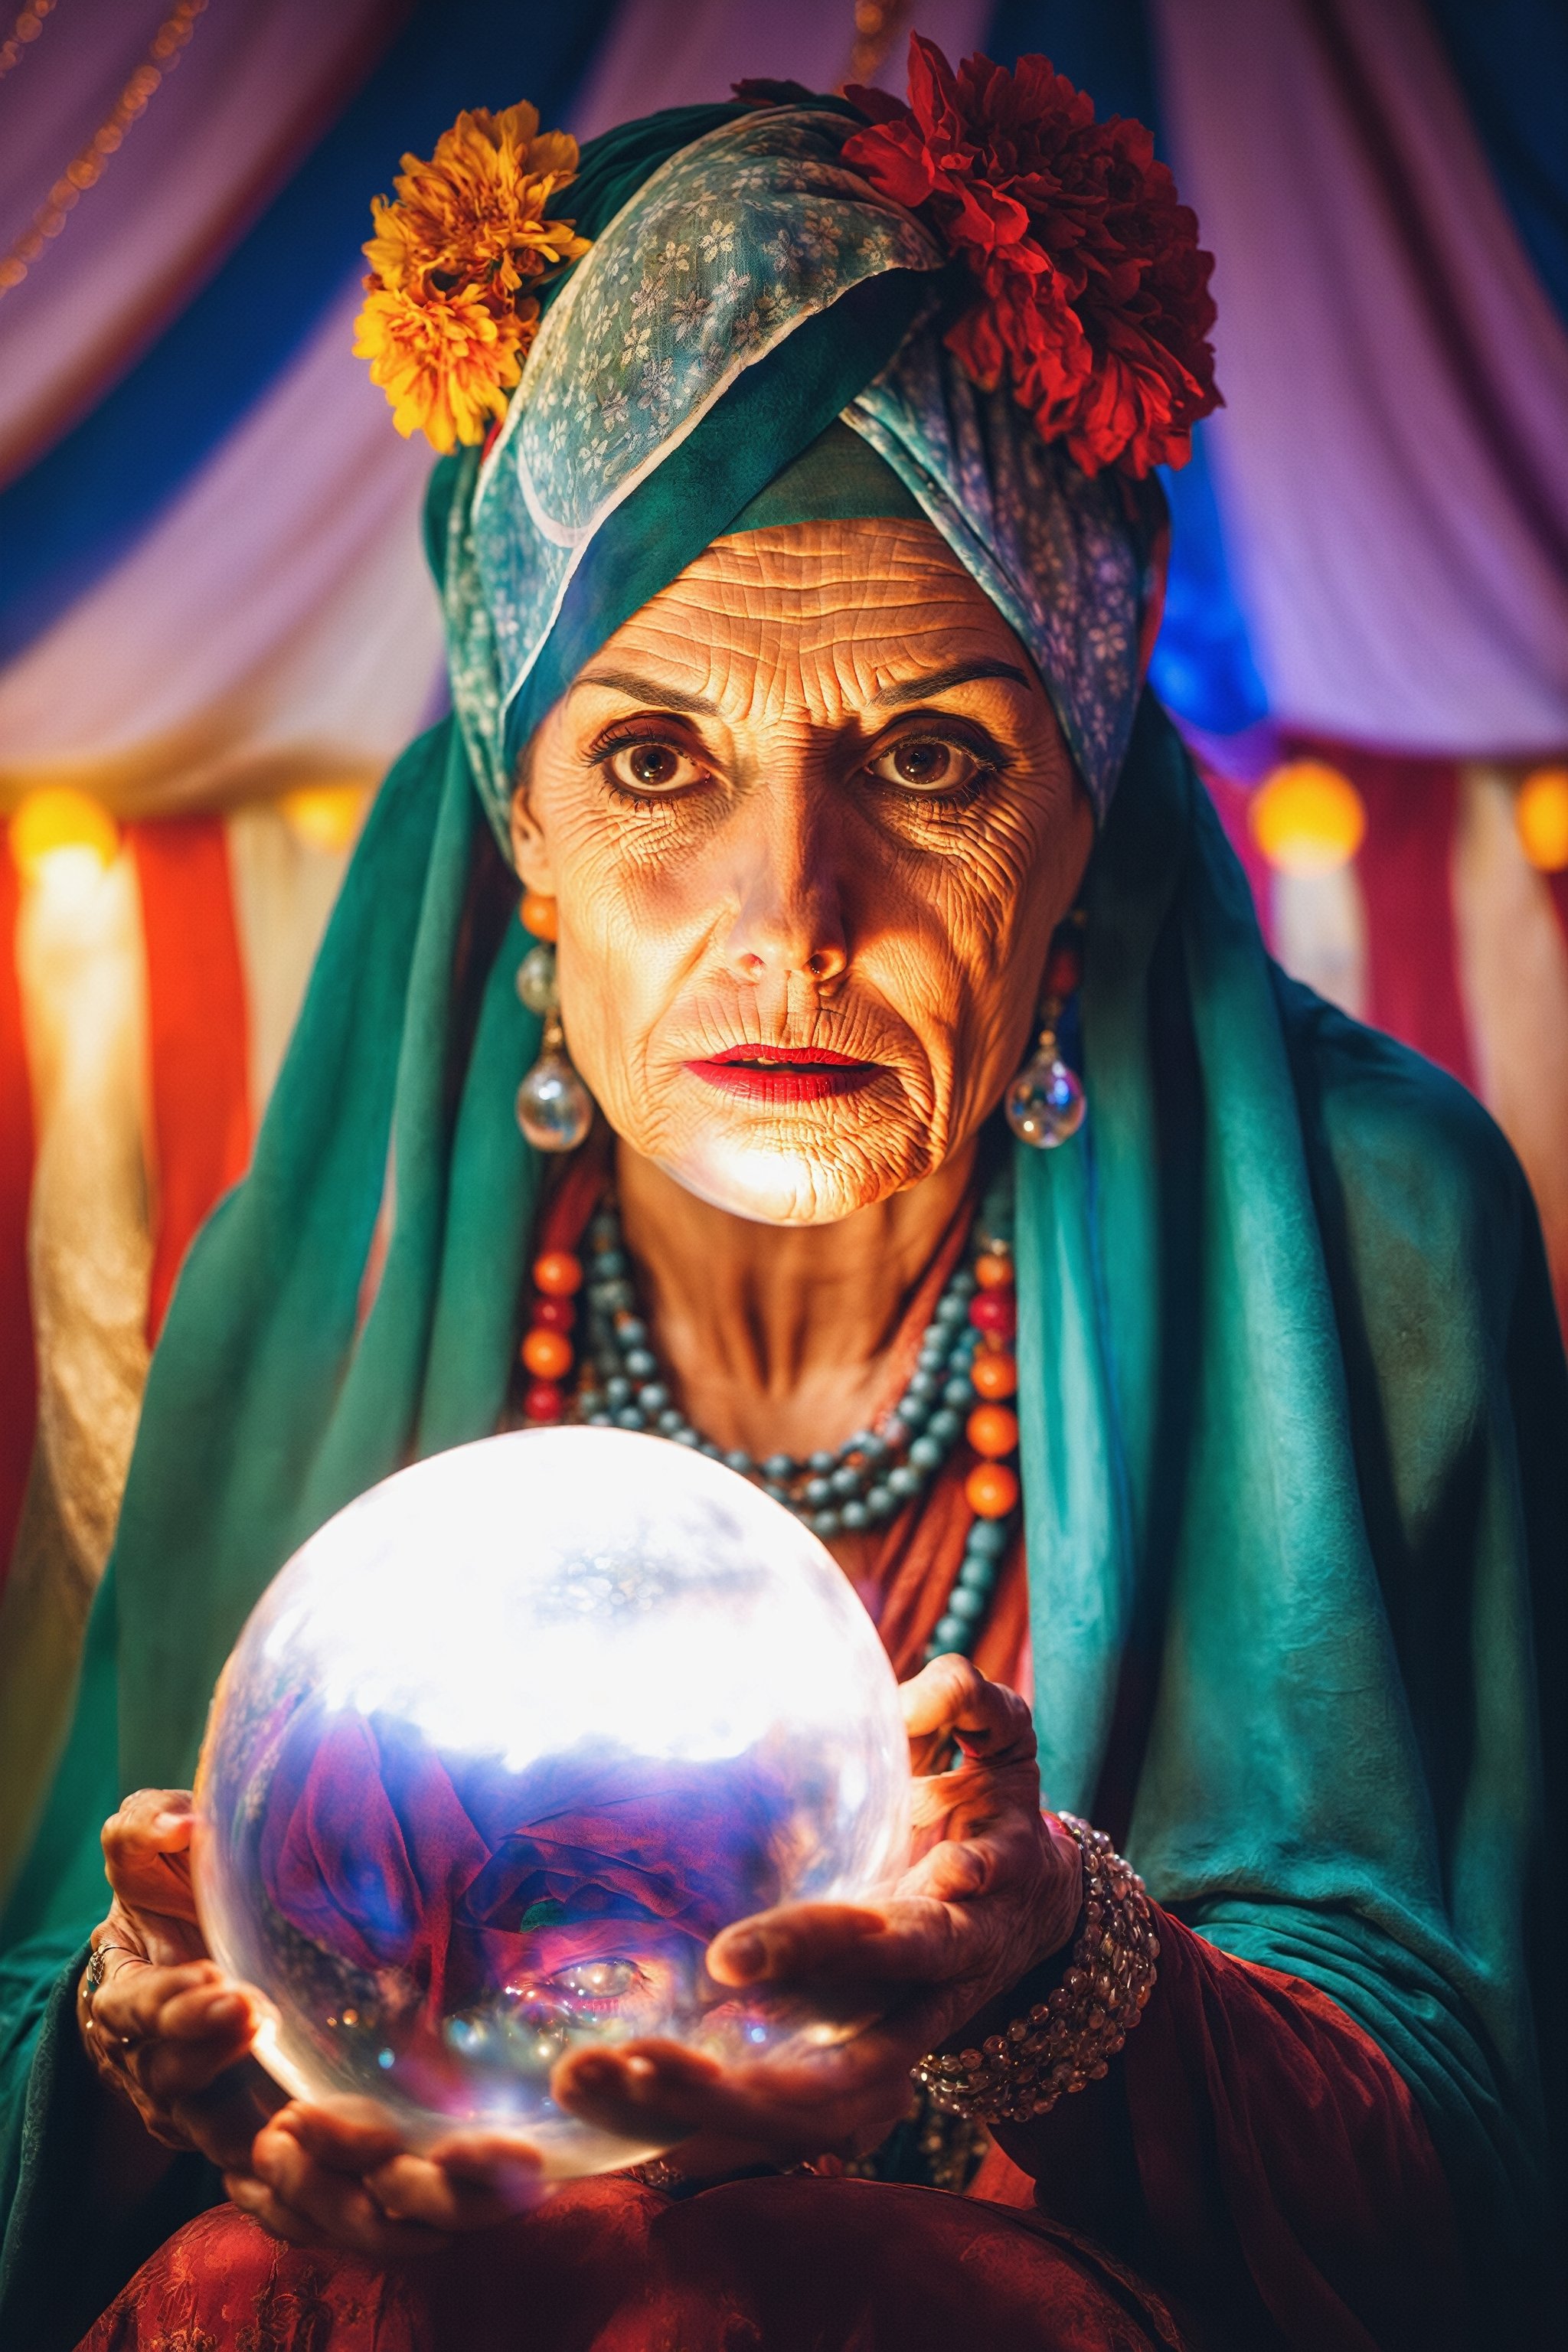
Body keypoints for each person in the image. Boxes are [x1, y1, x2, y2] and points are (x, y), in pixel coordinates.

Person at [0, 41, 1561, 2352]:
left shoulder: (1382, 1236)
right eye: (653, 761)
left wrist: (1065, 1985)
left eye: (928, 759)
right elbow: (77, 1986)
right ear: (525, 839)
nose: (790, 917)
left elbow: (1495, 2194)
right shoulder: (316, 1280)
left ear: (1084, 814)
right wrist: (155, 2037)